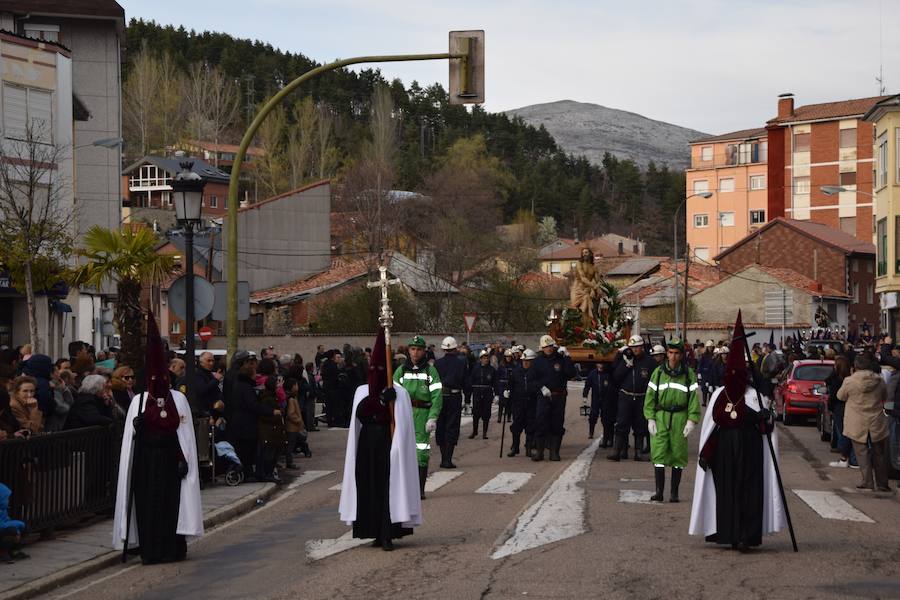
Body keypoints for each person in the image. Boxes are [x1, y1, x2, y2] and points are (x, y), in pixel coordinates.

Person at [690, 312, 786, 552]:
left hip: (751, 449)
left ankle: (747, 536)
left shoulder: (756, 396)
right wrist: (754, 416)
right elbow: (719, 418)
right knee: (728, 493)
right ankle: (729, 533)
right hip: (726, 450)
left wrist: (766, 419)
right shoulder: (720, 396)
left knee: (750, 493)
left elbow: (766, 428)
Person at [113, 311, 202, 564]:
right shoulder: (139, 402)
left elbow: (183, 435)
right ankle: (150, 550)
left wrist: (182, 459)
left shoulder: (179, 400)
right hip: (146, 467)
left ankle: (173, 549)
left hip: (172, 466)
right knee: (149, 508)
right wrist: (140, 427)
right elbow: (131, 441)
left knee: (170, 509)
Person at [339, 330, 421, 551]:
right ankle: (373, 530)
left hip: (388, 443)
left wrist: (391, 402)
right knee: (369, 486)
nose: (376, 373)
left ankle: (388, 533)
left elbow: (402, 423)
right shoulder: (361, 391)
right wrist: (378, 402)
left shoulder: (399, 393)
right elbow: (358, 416)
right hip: (367, 444)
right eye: (373, 369)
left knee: (388, 486)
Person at [644, 339, 701, 502]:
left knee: (678, 454)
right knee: (659, 453)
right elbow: (650, 396)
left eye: (676, 353)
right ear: (667, 354)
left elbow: (693, 399)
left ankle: (674, 493)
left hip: (680, 418)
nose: (673, 357)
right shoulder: (659, 373)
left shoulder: (689, 375)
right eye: (670, 353)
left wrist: (692, 420)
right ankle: (659, 492)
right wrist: (650, 418)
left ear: (681, 355)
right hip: (661, 416)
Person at [393, 336, 442, 500]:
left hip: (422, 414)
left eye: (419, 349)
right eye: (412, 349)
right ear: (408, 350)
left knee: (421, 452)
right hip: (404, 413)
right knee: (402, 451)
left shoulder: (430, 371)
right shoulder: (401, 370)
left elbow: (437, 396)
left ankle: (420, 489)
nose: (415, 352)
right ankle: (404, 487)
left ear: (424, 351)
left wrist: (432, 417)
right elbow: (393, 394)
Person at [836, 353, 891, 491]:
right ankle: (882, 482)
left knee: (862, 452)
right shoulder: (879, 380)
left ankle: (867, 481)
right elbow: (885, 396)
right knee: (880, 453)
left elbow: (840, 396)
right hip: (876, 420)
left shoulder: (850, 381)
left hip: (857, 420)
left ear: (856, 366)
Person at [228, 354, 281, 480]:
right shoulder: (246, 388)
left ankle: (247, 472)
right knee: (246, 449)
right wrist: (271, 411)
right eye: (254, 373)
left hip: (240, 421)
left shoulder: (240, 385)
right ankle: (247, 473)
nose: (256, 375)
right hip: (245, 424)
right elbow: (253, 405)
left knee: (245, 449)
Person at [609, 335, 656, 462]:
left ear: (642, 347)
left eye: (638, 347)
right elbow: (616, 376)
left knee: (640, 424)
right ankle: (617, 451)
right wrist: (626, 365)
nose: (635, 350)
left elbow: (654, 378)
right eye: (633, 347)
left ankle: (638, 452)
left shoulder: (649, 361)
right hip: (626, 395)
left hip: (642, 397)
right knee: (621, 423)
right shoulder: (624, 359)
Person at [532, 335, 576, 462]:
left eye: (550, 346)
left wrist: (567, 357)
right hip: (544, 396)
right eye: (546, 347)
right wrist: (541, 387)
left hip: (559, 396)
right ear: (542, 348)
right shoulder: (537, 361)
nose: (549, 349)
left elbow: (571, 373)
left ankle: (554, 452)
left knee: (557, 424)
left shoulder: (561, 359)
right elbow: (532, 379)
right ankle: (540, 452)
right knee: (541, 422)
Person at [434, 336, 467, 469]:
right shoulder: (461, 363)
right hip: (454, 396)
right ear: (455, 348)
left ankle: (443, 459)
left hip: (440, 396)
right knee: (452, 426)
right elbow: (465, 381)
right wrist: (468, 398)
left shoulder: (437, 363)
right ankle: (448, 459)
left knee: (441, 425)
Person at [826, 356, 857, 468]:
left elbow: (835, 395)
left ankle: (844, 458)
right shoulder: (851, 378)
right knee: (850, 433)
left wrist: (830, 407)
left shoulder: (837, 380)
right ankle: (852, 458)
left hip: (839, 407)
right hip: (850, 407)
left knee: (843, 433)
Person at [508, 348, 539, 456]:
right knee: (516, 425)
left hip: (531, 402)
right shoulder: (516, 371)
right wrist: (507, 393)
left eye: (528, 361)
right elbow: (511, 385)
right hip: (518, 402)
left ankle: (529, 447)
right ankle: (515, 447)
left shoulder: (536, 373)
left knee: (530, 425)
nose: (525, 363)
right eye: (524, 361)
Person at [570, 247, 602, 328]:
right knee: (575, 309)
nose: (584, 254)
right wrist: (594, 286)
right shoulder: (579, 263)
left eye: (586, 252)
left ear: (590, 254)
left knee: (588, 301)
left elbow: (598, 281)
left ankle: (587, 326)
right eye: (583, 252)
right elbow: (583, 278)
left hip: (587, 290)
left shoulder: (594, 267)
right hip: (577, 289)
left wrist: (598, 289)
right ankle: (579, 325)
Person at [468, 350, 497, 440]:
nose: (486, 359)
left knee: (486, 413)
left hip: (487, 392)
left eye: (487, 358)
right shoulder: (475, 369)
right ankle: (474, 431)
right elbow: (471, 380)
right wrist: (469, 392)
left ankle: (484, 433)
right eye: (484, 358)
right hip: (477, 392)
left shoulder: (492, 370)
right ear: (480, 359)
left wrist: (497, 394)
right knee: (476, 413)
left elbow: (495, 382)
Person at [582, 361, 614, 443]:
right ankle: (591, 432)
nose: (601, 365)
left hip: (606, 399)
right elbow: (587, 385)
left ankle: (608, 437)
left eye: (602, 363)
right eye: (599, 363)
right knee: (593, 416)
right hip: (596, 398)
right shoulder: (592, 374)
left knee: (606, 419)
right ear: (596, 364)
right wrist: (585, 396)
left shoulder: (608, 373)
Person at [496, 350, 516, 424]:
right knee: (501, 402)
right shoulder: (501, 365)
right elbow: (498, 376)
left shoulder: (513, 365)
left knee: (509, 402)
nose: (508, 358)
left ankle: (509, 417)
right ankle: (499, 416)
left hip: (510, 384)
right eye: (507, 357)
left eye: (509, 357)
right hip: (502, 384)